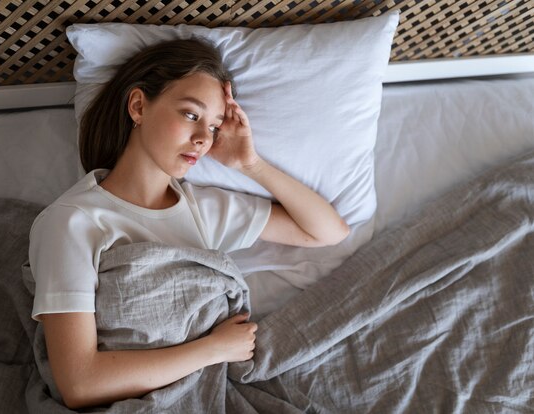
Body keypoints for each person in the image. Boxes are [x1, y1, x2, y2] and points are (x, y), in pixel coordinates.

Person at [28, 37, 350, 409]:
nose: (202, 140)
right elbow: (81, 384)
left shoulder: (203, 209)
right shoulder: (72, 221)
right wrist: (213, 349)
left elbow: (328, 231)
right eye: (191, 115)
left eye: (214, 127)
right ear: (138, 106)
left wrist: (251, 165)